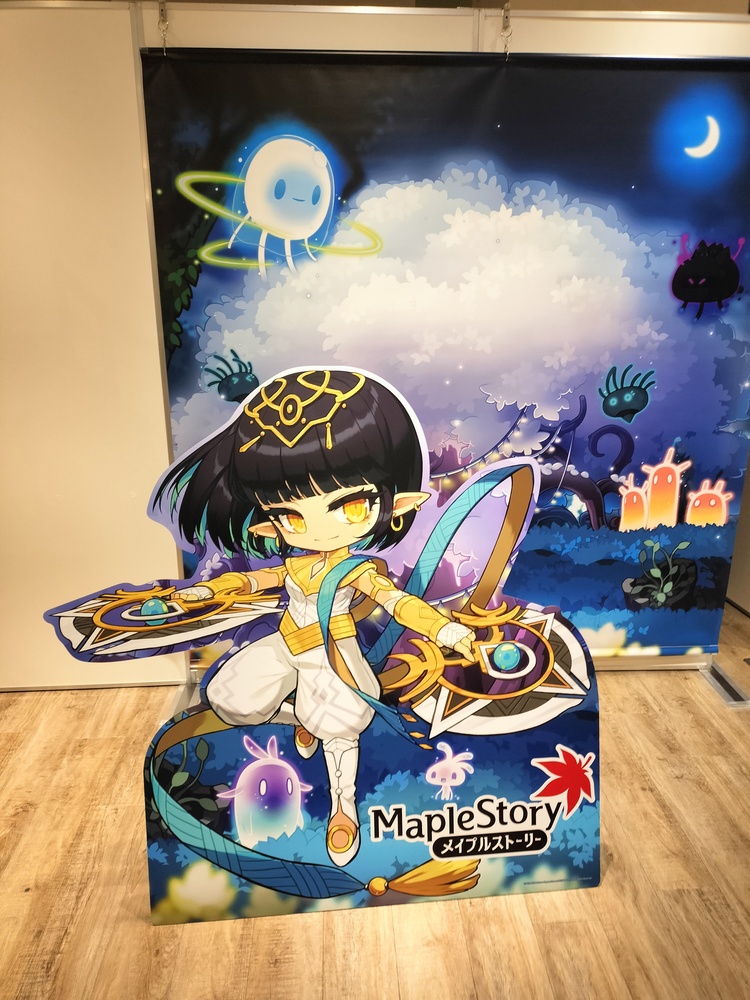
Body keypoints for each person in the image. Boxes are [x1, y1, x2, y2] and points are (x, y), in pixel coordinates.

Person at [154, 367, 475, 866]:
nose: (318, 528)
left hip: (333, 655)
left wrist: (445, 628)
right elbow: (260, 581)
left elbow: (398, 603)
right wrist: (208, 590)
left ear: (394, 504)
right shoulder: (296, 562)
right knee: (230, 696)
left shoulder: (356, 569)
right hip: (286, 644)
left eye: (351, 506)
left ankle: (343, 808)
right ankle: (302, 716)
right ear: (271, 521)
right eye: (290, 515)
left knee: (341, 726)